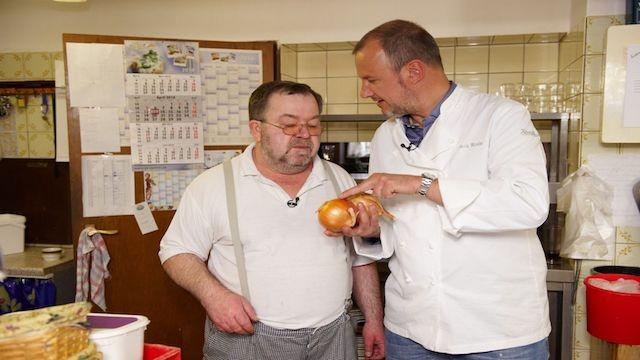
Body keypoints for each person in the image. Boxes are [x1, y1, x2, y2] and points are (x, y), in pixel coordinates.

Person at [334, 20, 551, 359]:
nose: (365, 92)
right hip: (410, 328)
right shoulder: (385, 137)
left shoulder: (500, 117)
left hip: (496, 332)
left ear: (414, 71)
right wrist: (371, 230)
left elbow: (529, 203)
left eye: (371, 79)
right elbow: (395, 226)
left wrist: (419, 184)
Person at [159, 80, 385, 360]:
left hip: (334, 336)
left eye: (313, 125)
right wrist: (213, 295)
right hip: (247, 339)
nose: (304, 134)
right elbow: (176, 251)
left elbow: (360, 257)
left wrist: (374, 319)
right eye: (289, 125)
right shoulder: (213, 185)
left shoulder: (339, 178)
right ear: (257, 129)